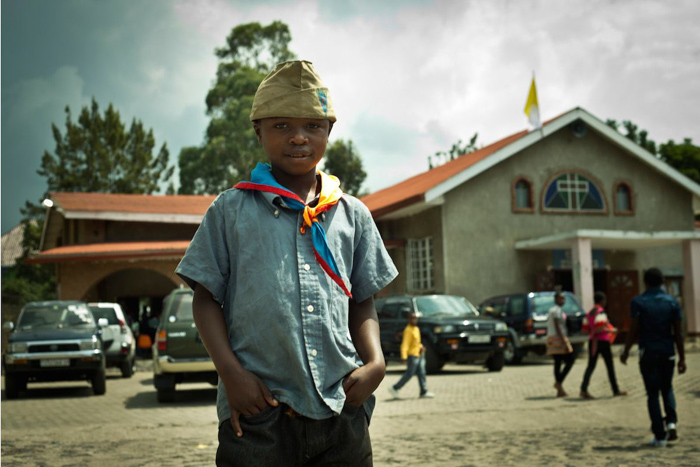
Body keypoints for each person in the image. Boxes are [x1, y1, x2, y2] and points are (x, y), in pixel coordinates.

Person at [175, 60, 398, 466]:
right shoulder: (230, 211)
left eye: (313, 127)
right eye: (281, 126)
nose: (298, 138)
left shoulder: (352, 214)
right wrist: (231, 375)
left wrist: (376, 364)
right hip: (259, 416)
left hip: (341, 412)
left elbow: (362, 301)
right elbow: (206, 299)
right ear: (258, 130)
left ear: (329, 132)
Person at [620, 268, 687, 447]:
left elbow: (634, 329)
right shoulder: (673, 302)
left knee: (652, 394)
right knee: (667, 388)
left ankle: (659, 435)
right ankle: (671, 423)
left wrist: (626, 351)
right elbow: (678, 333)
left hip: (648, 352)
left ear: (645, 282)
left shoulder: (639, 302)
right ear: (663, 281)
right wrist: (682, 358)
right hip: (668, 352)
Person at [579, 291, 628, 399]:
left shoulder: (589, 313)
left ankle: (583, 388)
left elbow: (585, 331)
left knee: (591, 366)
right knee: (610, 366)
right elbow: (599, 328)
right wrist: (610, 330)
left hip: (593, 342)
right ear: (602, 301)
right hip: (602, 341)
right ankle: (615, 390)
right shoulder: (600, 312)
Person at [388, 312, 435, 399]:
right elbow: (405, 344)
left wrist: (421, 347)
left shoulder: (416, 329)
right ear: (408, 319)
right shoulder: (408, 330)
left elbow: (416, 342)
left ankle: (423, 391)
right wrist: (404, 357)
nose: (414, 320)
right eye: (412, 318)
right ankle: (395, 388)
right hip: (412, 356)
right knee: (409, 374)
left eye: (415, 318)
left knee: (422, 373)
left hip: (419, 355)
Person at [546, 292, 575, 397]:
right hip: (557, 339)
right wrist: (564, 341)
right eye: (561, 299)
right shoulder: (555, 311)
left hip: (557, 338)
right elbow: (558, 326)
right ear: (556, 299)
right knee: (569, 360)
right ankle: (559, 383)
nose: (563, 301)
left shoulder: (558, 310)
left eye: (563, 299)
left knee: (558, 363)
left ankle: (559, 387)